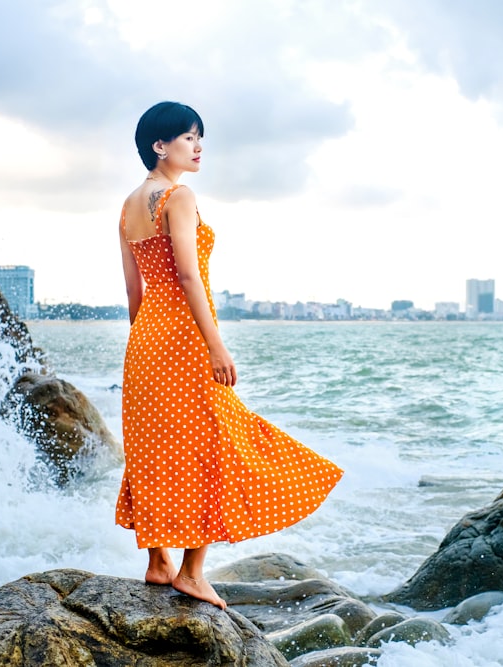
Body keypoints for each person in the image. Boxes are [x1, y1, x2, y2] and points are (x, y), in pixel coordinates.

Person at [115, 101, 343, 609]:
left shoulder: (128, 205)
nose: (198, 147)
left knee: (154, 448)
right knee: (212, 447)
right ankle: (192, 571)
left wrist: (144, 347)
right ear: (160, 145)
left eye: (200, 138)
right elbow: (190, 276)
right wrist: (215, 344)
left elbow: (134, 293)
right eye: (189, 138)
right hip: (186, 338)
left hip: (146, 340)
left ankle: (157, 562)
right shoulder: (178, 195)